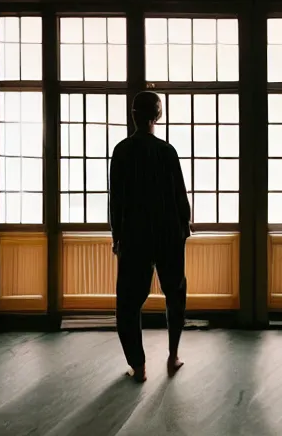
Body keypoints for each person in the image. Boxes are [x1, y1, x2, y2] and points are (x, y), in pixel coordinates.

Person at [109, 91, 191, 382]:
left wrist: (116, 235)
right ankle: (173, 356)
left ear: (133, 115)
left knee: (128, 303)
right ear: (158, 116)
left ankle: (139, 366)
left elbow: (116, 200)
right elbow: (180, 197)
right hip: (168, 233)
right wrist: (184, 226)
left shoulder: (122, 151)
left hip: (135, 235)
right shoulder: (166, 151)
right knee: (175, 294)